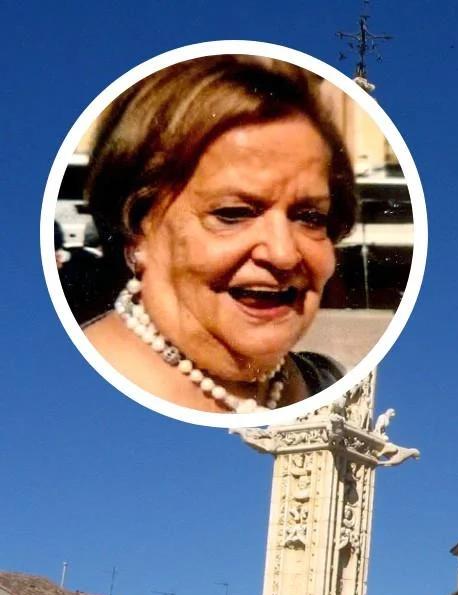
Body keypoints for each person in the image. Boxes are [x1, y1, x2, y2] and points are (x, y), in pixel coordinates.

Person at [81, 55, 357, 413]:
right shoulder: (67, 396)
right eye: (233, 214)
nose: (283, 253)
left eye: (309, 217)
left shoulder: (330, 384)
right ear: (136, 230)